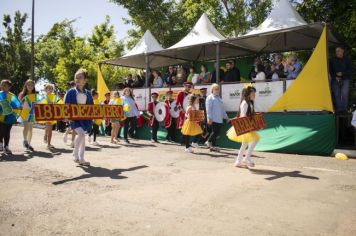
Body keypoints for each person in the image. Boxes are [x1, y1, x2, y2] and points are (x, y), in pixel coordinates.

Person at [64, 69, 93, 166]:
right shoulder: (70, 92)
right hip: (74, 119)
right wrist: (67, 116)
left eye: (80, 77)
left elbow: (91, 107)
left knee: (82, 137)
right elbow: (66, 105)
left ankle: (82, 158)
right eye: (76, 77)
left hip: (85, 119)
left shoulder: (88, 93)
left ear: (85, 80)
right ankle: (75, 153)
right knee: (81, 134)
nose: (77, 79)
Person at [227, 84, 260, 168]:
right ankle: (246, 158)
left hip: (247, 125)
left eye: (254, 94)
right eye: (253, 94)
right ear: (248, 94)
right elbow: (243, 116)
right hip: (244, 125)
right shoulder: (245, 103)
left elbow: (250, 115)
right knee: (253, 140)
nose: (254, 95)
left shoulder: (250, 103)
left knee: (245, 143)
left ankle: (239, 160)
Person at [329, 46, 354, 113]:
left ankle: (344, 109)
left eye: (338, 50)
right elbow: (330, 71)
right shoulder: (332, 60)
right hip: (335, 80)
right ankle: (339, 109)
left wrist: (342, 73)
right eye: (336, 51)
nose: (337, 52)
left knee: (344, 94)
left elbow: (351, 70)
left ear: (342, 51)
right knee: (336, 94)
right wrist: (335, 77)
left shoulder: (347, 59)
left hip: (345, 79)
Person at [206, 84, 229, 152]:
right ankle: (208, 141)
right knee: (215, 132)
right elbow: (208, 109)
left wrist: (226, 117)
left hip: (219, 119)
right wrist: (209, 117)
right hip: (213, 119)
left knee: (216, 133)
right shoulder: (210, 98)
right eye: (216, 89)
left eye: (218, 89)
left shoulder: (219, 98)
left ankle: (212, 147)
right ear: (212, 90)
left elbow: (222, 110)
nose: (217, 90)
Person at [0, 80, 21, 155]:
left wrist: (19, 108)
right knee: (1, 131)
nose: (2, 86)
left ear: (9, 87)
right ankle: (1, 145)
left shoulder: (12, 95)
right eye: (1, 85)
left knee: (7, 132)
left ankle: (6, 146)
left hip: (10, 117)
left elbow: (17, 105)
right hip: (1, 117)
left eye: (5, 85)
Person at [18, 79, 37, 151]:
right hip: (24, 112)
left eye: (32, 85)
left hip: (32, 113)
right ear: (26, 85)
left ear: (34, 86)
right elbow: (18, 104)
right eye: (28, 84)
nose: (30, 86)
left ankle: (29, 144)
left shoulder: (35, 95)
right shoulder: (22, 94)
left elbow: (37, 104)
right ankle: (25, 141)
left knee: (31, 129)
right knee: (26, 127)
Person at [41, 83, 60, 149]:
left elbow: (59, 103)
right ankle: (48, 143)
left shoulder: (55, 96)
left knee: (50, 129)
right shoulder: (43, 97)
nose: (50, 89)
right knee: (49, 129)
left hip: (53, 114)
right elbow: (40, 106)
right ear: (45, 89)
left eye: (51, 88)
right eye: (48, 88)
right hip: (47, 115)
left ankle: (47, 138)